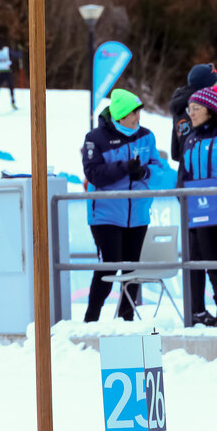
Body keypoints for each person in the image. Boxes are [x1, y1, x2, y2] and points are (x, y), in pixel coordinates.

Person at [82, 88, 161, 322]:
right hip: (105, 215)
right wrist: (124, 168)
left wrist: (144, 172)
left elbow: (160, 169)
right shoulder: (95, 138)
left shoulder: (147, 135)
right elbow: (93, 174)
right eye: (133, 113)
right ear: (120, 116)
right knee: (109, 265)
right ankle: (91, 318)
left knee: (132, 268)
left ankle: (127, 318)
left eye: (138, 112)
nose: (138, 117)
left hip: (138, 213)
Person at [169, 64, 217, 325]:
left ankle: (199, 309)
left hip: (192, 188)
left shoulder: (181, 106)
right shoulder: (195, 110)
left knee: (202, 256)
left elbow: (174, 153)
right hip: (200, 189)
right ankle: (201, 310)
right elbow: (182, 151)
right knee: (205, 255)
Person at [180, 86, 217, 326]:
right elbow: (184, 174)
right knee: (211, 266)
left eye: (196, 108)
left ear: (210, 109)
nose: (191, 113)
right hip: (203, 212)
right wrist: (185, 198)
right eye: (190, 109)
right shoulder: (190, 139)